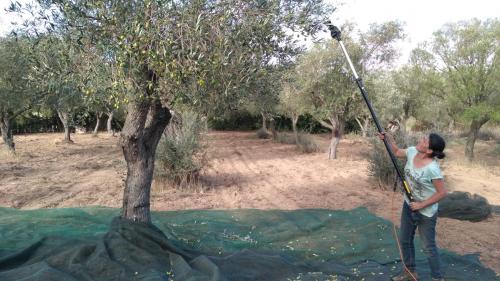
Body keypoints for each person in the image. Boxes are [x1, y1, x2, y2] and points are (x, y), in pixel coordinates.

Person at [378, 132, 448, 281]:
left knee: (428, 247)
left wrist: (421, 205)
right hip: (409, 205)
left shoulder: (432, 169)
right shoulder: (412, 151)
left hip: (426, 212)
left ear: (429, 151)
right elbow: (396, 152)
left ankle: (437, 277)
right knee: (404, 240)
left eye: (424, 140)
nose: (420, 139)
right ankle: (410, 272)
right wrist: (388, 139)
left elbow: (442, 193)